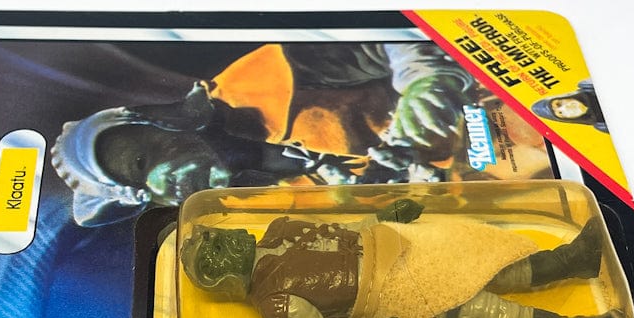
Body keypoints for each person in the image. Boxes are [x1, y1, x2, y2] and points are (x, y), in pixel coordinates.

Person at [51, 41, 484, 226]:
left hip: (509, 105)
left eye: (142, 162)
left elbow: (395, 39)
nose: (166, 189)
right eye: (148, 196)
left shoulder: (261, 79)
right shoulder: (271, 210)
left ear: (160, 121)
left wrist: (427, 84)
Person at [179, 200, 626, 318]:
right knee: (488, 313)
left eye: (214, 235)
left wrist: (382, 216)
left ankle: (573, 259)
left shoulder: (280, 229)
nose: (223, 237)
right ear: (219, 279)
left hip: (406, 246)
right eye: (213, 248)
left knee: (493, 264)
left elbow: (344, 229)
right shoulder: (277, 303)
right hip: (401, 293)